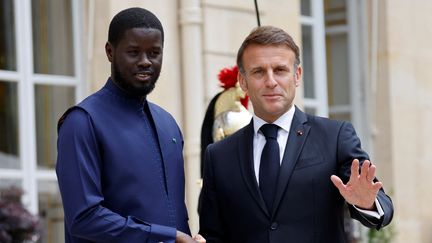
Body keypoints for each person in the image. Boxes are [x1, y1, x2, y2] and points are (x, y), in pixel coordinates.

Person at [198, 26, 394, 243]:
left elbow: (382, 206)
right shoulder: (218, 155)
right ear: (243, 81)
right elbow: (212, 233)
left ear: (297, 75)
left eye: (280, 70)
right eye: (258, 71)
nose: (271, 81)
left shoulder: (335, 137)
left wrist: (366, 203)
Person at [56, 7, 204, 243]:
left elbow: (176, 215)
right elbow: (84, 218)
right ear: (109, 52)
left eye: (154, 53)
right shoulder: (81, 122)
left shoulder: (169, 125)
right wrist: (167, 237)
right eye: (134, 52)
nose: (145, 61)